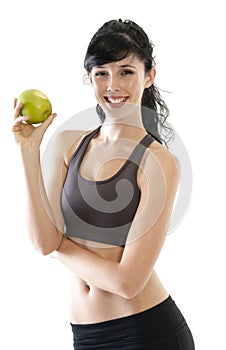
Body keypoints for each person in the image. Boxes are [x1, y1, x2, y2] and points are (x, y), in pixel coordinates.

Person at [12, 19, 195, 350]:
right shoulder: (67, 144)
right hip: (85, 337)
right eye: (101, 73)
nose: (113, 84)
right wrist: (28, 152)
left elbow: (128, 282)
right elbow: (41, 241)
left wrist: (57, 246)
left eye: (126, 71)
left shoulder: (158, 162)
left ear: (149, 75)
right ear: (89, 77)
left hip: (146, 334)